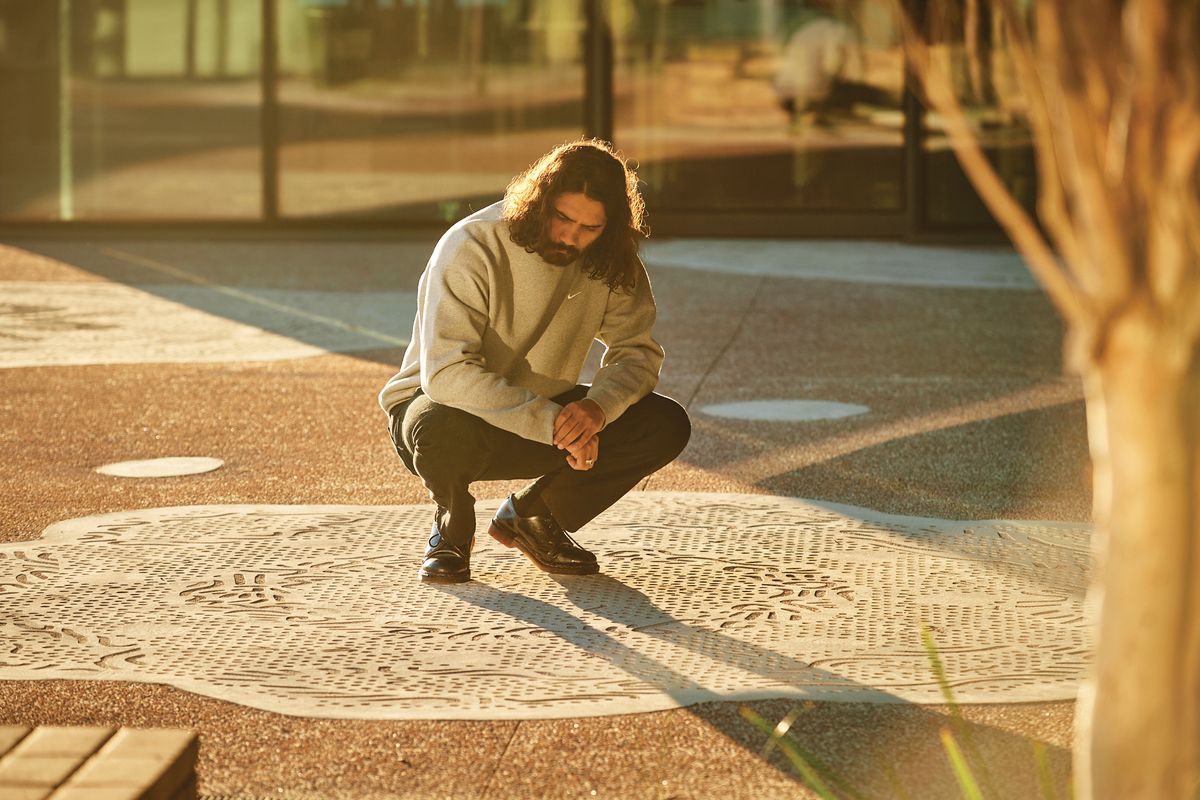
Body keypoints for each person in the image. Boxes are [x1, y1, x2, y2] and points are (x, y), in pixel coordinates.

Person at [379, 138, 691, 584]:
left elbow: (636, 352)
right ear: (539, 201)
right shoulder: (473, 243)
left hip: (541, 409)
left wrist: (596, 409)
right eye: (563, 218)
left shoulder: (610, 258)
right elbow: (446, 373)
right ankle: (452, 526)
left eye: (591, 227)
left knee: (665, 423)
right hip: (441, 407)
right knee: (440, 429)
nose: (571, 236)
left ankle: (534, 517)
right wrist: (553, 423)